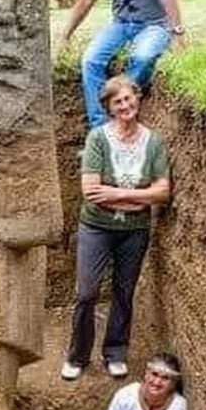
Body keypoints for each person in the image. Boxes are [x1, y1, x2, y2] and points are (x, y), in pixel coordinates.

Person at [61, 77, 170, 383]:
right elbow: (90, 191)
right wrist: (140, 197)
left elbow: (162, 192)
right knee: (87, 293)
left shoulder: (154, 142)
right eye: (117, 102)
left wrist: (117, 195)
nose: (125, 106)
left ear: (138, 98)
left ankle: (115, 352)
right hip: (96, 227)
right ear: (108, 108)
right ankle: (77, 356)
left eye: (129, 99)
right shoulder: (98, 139)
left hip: (135, 231)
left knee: (124, 291)